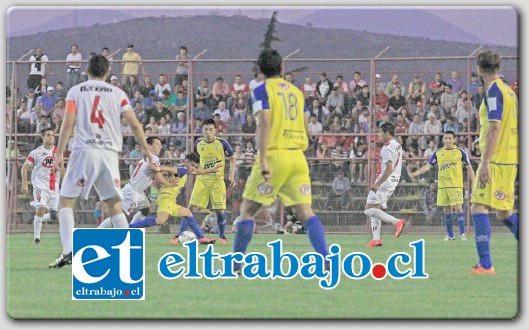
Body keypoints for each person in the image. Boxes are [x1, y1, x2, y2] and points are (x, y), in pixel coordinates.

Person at [231, 48, 330, 273]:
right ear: (282, 67)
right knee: (306, 213)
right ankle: (325, 258)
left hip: (274, 155)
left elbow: (264, 123)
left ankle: (236, 265)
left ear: (259, 70)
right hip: (297, 156)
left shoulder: (261, 89)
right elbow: (306, 127)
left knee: (247, 210)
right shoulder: (296, 92)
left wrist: (264, 159)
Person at [49, 54, 153, 268]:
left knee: (66, 201)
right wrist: (146, 150)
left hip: (84, 150)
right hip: (108, 153)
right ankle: (128, 252)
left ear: (87, 71)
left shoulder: (76, 91)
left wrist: (59, 153)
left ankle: (69, 249)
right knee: (113, 204)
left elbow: (67, 125)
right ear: (108, 72)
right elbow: (134, 124)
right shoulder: (118, 93)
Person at [468, 50, 518, 274]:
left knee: (478, 206)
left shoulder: (493, 91)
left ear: (479, 69)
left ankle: (485, 264)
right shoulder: (510, 91)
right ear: (498, 68)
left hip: (496, 160)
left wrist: (485, 161)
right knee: (504, 213)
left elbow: (495, 126)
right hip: (510, 158)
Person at [128, 152, 217, 245]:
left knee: (188, 213)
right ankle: (129, 228)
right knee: (160, 220)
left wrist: (212, 170)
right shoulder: (182, 170)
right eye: (193, 165)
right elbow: (169, 168)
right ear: (186, 161)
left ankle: (199, 238)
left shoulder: (184, 169)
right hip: (166, 198)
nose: (193, 168)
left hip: (170, 199)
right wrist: (157, 168)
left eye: (195, 166)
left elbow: (198, 171)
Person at [96, 136, 177, 228]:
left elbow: (154, 175)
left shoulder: (149, 158)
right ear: (149, 146)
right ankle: (99, 231)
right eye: (158, 144)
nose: (161, 147)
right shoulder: (153, 158)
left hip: (138, 192)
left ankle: (132, 228)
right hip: (132, 192)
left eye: (161, 145)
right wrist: (169, 184)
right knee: (119, 216)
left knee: (145, 210)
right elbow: (157, 176)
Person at [411, 131, 475, 241]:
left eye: (450, 138)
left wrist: (474, 183)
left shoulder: (460, 152)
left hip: (455, 186)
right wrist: (417, 173)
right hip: (443, 186)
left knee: (458, 209)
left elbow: (469, 168)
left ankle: (462, 234)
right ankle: (450, 235)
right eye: (446, 138)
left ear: (454, 140)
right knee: (447, 210)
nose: (447, 140)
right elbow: (428, 166)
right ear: (443, 139)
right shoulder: (438, 152)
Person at [185, 118, 236, 244]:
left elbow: (233, 158)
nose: (208, 132)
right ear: (202, 130)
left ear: (216, 131)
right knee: (191, 207)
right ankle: (179, 235)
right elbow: (194, 160)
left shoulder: (222, 143)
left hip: (217, 181)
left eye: (211, 130)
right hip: (202, 179)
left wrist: (231, 174)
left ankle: (222, 236)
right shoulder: (198, 143)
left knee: (220, 211)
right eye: (206, 129)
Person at [364, 121, 406, 247]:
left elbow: (389, 168)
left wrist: (378, 184)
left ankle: (396, 222)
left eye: (381, 133)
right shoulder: (397, 145)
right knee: (375, 209)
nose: (379, 135)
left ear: (387, 133)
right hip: (392, 180)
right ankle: (376, 239)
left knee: (369, 209)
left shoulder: (386, 148)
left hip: (385, 181)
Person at [20, 129, 61, 243]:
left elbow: (61, 167)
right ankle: (37, 237)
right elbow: (24, 167)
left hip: (53, 186)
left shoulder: (58, 152)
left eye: (53, 135)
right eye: (48, 135)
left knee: (53, 215)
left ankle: (39, 219)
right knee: (40, 209)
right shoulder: (36, 152)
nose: (51, 137)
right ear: (43, 137)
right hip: (40, 185)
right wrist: (24, 184)